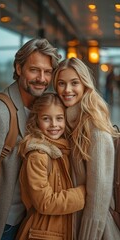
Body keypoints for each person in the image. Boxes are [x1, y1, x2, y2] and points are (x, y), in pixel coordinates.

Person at [0, 38, 61, 240]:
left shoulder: (43, 108)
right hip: (4, 226)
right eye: (34, 70)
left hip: (27, 222)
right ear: (19, 68)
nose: (42, 78)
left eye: (47, 72)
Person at [53, 57, 120, 239]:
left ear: (85, 85)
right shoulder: (64, 124)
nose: (67, 90)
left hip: (95, 231)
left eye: (74, 83)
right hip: (71, 223)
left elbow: (98, 199)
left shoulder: (95, 129)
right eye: (61, 83)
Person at [16, 92, 85, 240]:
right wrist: (84, 193)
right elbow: (45, 203)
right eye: (46, 119)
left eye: (59, 118)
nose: (54, 124)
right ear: (36, 121)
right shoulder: (38, 155)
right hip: (42, 233)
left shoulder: (65, 149)